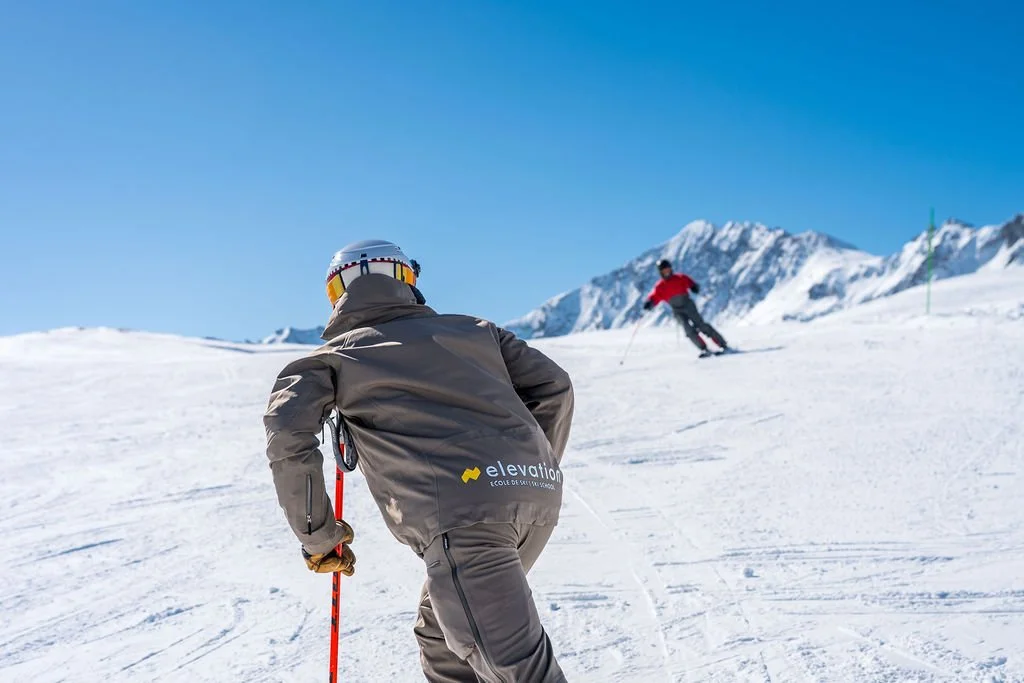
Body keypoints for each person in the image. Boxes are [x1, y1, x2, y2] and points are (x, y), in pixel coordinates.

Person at [264, 239, 574, 683]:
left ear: (336, 293)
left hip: (465, 520)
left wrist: (319, 537)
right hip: (533, 503)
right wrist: (524, 469)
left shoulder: (331, 360)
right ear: (407, 281)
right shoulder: (478, 331)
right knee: (442, 636)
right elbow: (554, 386)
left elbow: (288, 436)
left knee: (518, 669)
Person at [642, 258, 728, 357]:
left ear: (670, 269)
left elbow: (690, 282)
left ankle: (722, 344)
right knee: (688, 329)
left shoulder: (680, 278)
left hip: (688, 305)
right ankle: (704, 349)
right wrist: (650, 303)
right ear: (660, 272)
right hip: (677, 310)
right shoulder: (660, 286)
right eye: (664, 270)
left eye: (667, 269)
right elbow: (655, 297)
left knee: (700, 325)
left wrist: (694, 287)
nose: (666, 271)